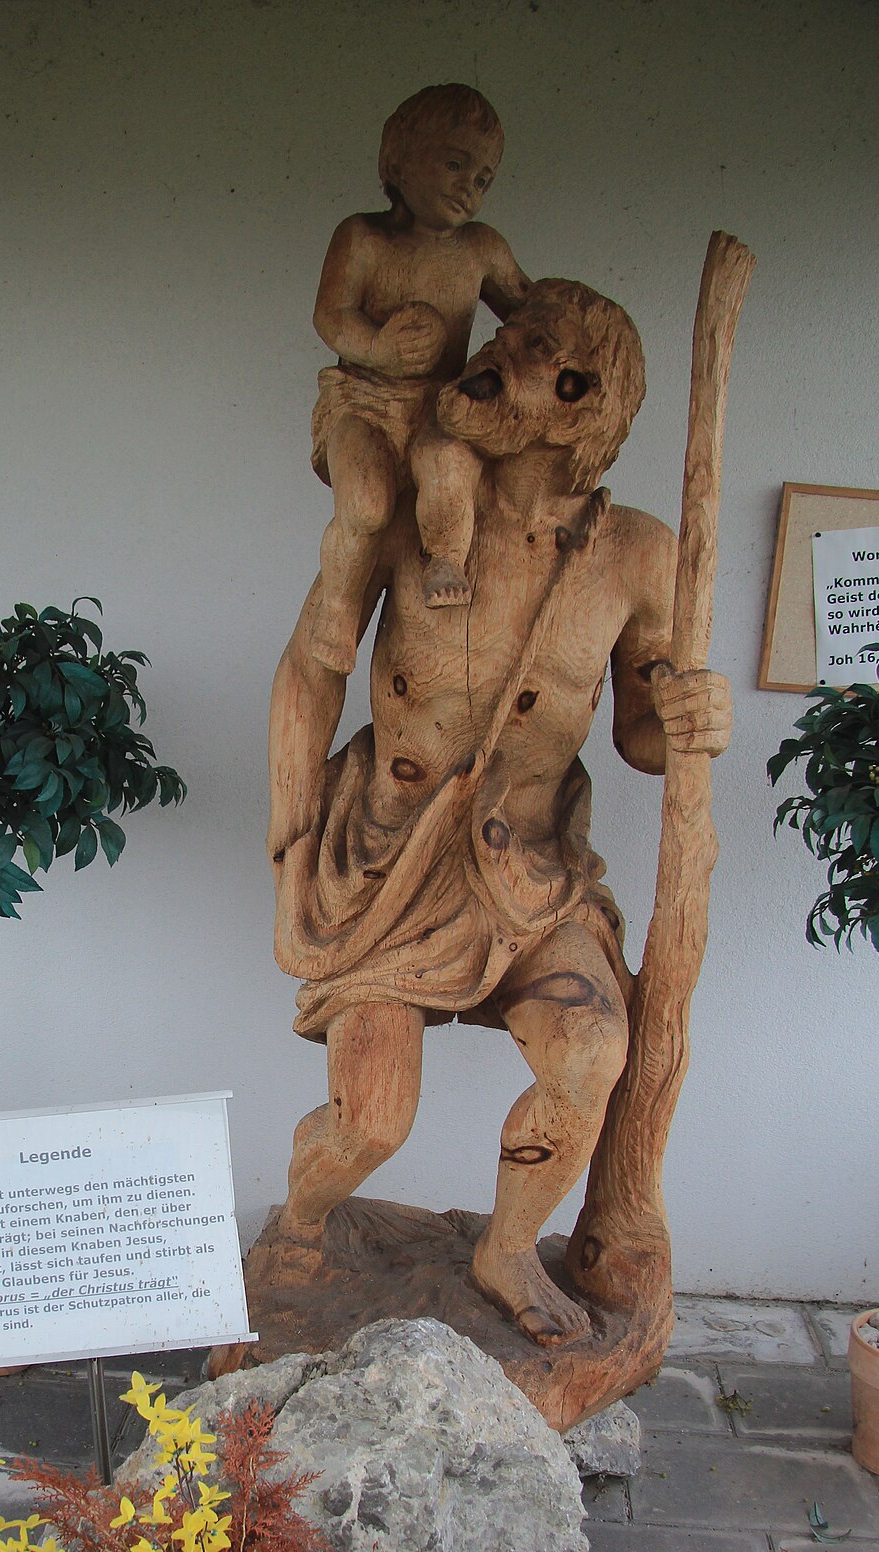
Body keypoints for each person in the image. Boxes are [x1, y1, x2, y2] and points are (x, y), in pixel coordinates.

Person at [269, 280, 732, 1344]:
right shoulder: (402, 512)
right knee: (370, 1122)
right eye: (507, 330)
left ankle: (509, 1246)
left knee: (591, 1051)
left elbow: (643, 734)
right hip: (386, 862)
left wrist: (691, 715)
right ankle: (297, 1219)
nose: (491, 350)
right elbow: (313, 662)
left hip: (528, 869)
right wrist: (289, 832)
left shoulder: (637, 555)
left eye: (530, 347)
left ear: (575, 397)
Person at [309, 82, 531, 676]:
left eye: (483, 178)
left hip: (440, 407)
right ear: (399, 160)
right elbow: (330, 315)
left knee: (449, 463)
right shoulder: (362, 237)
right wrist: (378, 347)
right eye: (455, 164)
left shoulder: (482, 249)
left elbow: (530, 312)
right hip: (363, 403)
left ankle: (446, 557)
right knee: (366, 504)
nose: (468, 187)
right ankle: (338, 607)